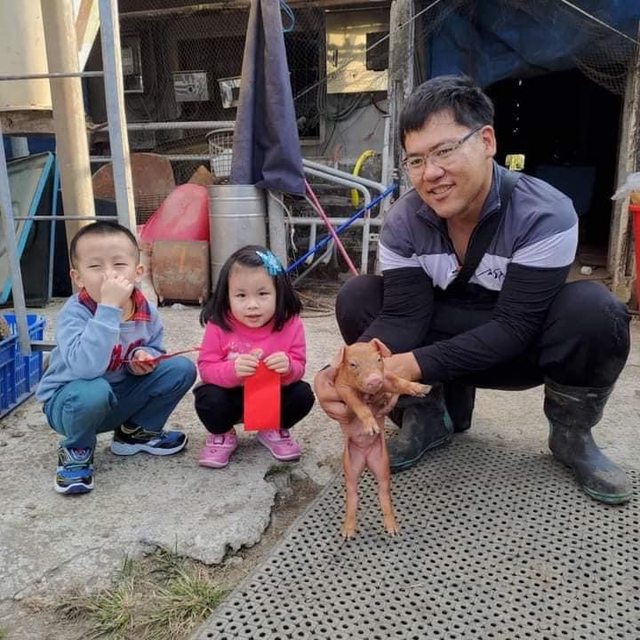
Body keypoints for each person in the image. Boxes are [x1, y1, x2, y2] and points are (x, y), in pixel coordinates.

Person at [314, 75, 632, 505]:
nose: (431, 174)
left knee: (597, 312)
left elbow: (515, 326)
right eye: (416, 160)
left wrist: (411, 364)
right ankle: (427, 418)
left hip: (520, 350)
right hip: (446, 343)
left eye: (444, 151)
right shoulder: (404, 222)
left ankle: (571, 436)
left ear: (486, 141)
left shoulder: (545, 214)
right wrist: (342, 371)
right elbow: (404, 317)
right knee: (359, 296)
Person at [36, 221, 197, 495]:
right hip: (71, 404)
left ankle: (135, 433)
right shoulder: (74, 314)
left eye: (119, 264)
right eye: (95, 266)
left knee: (180, 369)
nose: (109, 274)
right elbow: (86, 368)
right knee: (93, 389)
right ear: (78, 277)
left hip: (118, 397)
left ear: (137, 271)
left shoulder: (145, 310)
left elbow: (154, 347)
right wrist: (108, 308)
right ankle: (77, 449)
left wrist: (142, 357)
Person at [194, 245, 314, 468]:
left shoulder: (291, 323)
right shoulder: (219, 324)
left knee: (302, 394)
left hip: (271, 396)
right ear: (226, 296)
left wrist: (288, 367)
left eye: (263, 294)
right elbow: (206, 368)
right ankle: (223, 433)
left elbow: (299, 366)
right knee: (207, 398)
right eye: (241, 295)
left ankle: (272, 428)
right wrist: (232, 370)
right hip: (231, 397)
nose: (252, 305)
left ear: (279, 292)